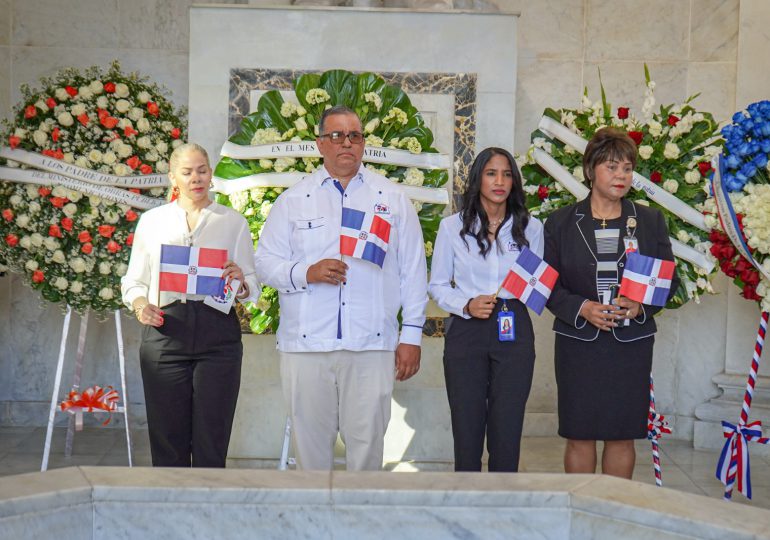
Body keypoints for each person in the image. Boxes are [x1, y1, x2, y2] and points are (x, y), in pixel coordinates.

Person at [254, 105, 428, 471]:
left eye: (355, 135)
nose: (346, 142)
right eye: (336, 135)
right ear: (320, 144)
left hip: (371, 345)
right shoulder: (294, 200)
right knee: (311, 454)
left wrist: (411, 335)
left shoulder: (391, 200)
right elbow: (265, 265)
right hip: (306, 347)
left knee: (366, 454)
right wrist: (307, 271)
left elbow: (413, 271)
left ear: (363, 143)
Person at [543, 127, 678, 479]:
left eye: (628, 168)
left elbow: (668, 281)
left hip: (629, 344)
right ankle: (581, 512)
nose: (621, 176)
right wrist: (582, 308)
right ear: (590, 170)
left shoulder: (649, 221)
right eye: (612, 167)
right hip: (578, 344)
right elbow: (548, 286)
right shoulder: (560, 223)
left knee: (621, 436)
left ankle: (614, 514)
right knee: (579, 435)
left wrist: (640, 307)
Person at [121, 142, 258, 467]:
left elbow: (252, 284)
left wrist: (241, 282)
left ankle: (209, 510)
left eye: (202, 170)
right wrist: (141, 305)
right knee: (167, 438)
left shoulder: (232, 221)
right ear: (173, 177)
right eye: (187, 172)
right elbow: (133, 281)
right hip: (165, 332)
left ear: (211, 174)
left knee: (213, 437)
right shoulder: (153, 221)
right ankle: (170, 510)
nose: (196, 178)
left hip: (217, 336)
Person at [429, 147, 543, 472]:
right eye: (491, 173)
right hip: (467, 329)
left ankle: (502, 506)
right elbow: (437, 285)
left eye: (507, 174)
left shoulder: (531, 228)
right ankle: (467, 504)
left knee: (507, 425)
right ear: (478, 177)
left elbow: (536, 280)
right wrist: (465, 304)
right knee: (467, 424)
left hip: (514, 325)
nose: (499, 181)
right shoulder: (451, 228)